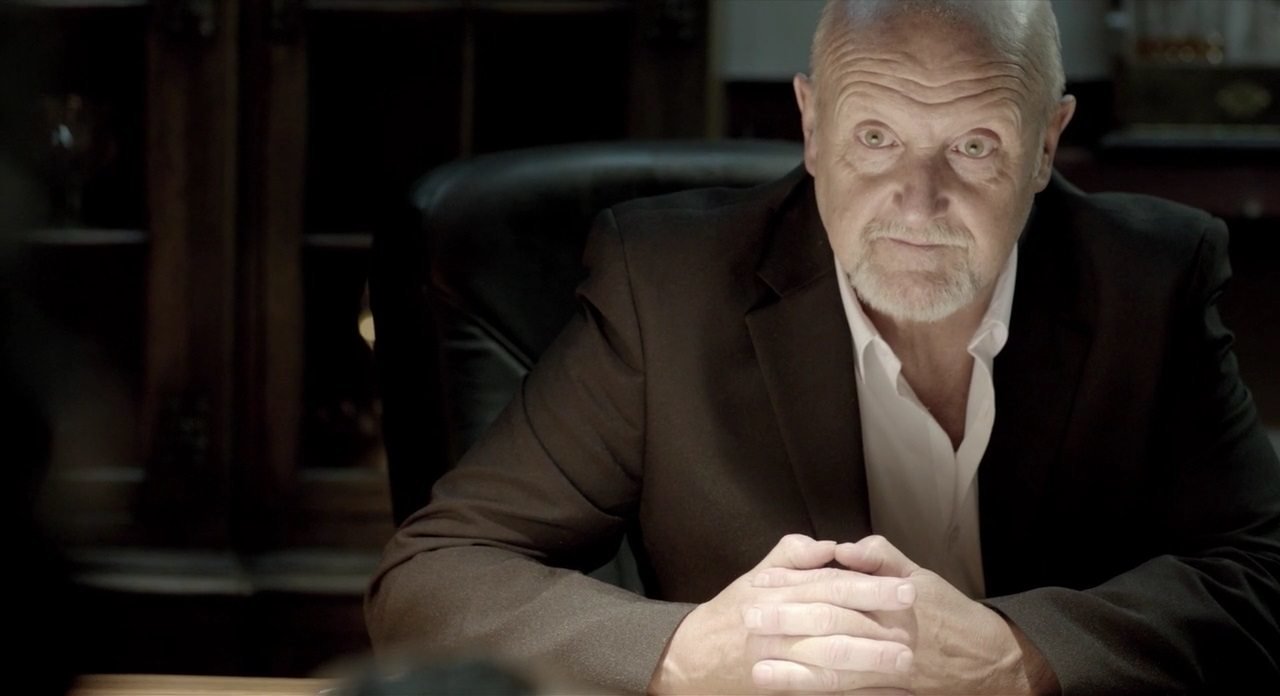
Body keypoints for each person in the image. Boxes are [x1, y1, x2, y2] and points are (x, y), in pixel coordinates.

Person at [366, 1, 1280, 693]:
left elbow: (1264, 576)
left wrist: (1019, 656)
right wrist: (680, 652)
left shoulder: (1148, 280)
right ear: (812, 127)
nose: (918, 202)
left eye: (973, 146)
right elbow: (432, 577)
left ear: (1046, 145)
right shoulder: (667, 289)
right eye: (875, 137)